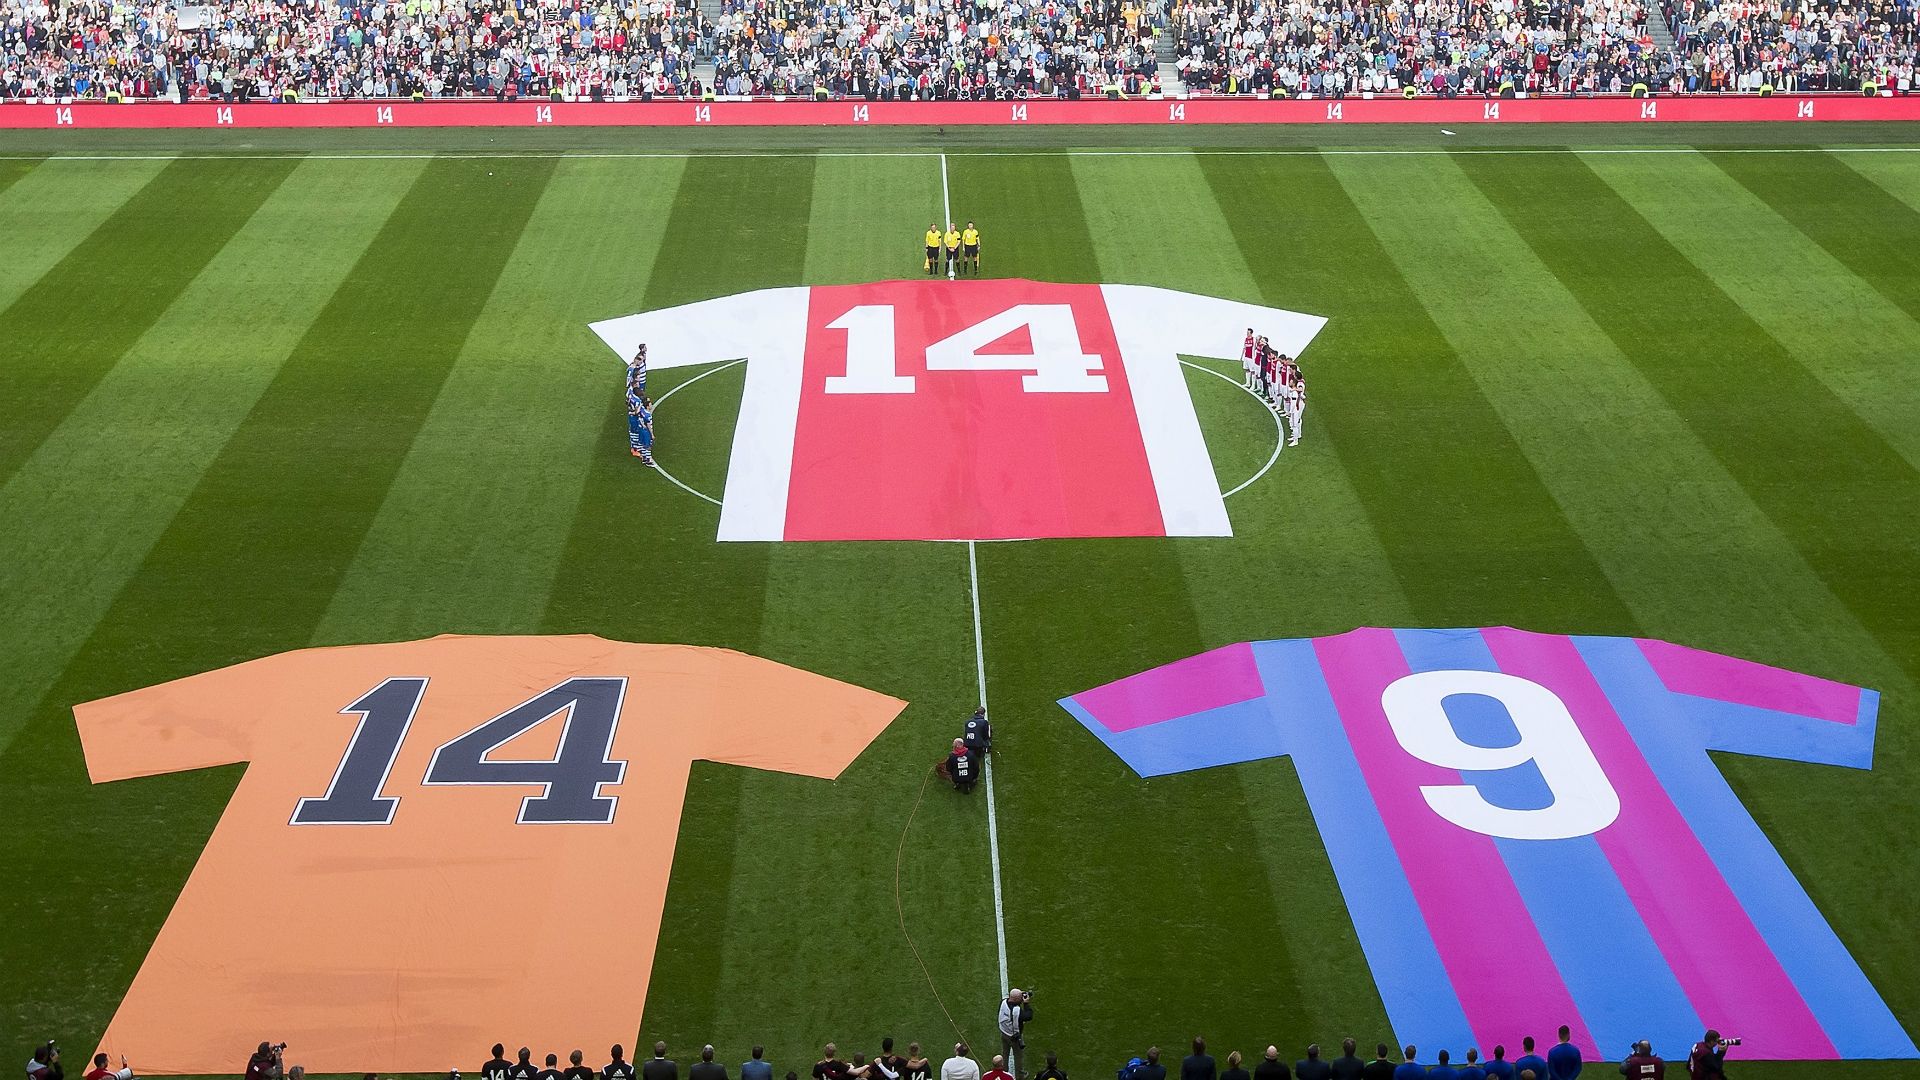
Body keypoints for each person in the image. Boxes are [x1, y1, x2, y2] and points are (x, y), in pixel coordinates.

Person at [999, 990, 1029, 1066]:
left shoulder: (1003, 1002)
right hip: (1014, 1037)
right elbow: (1028, 1016)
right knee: (1018, 1057)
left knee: (1005, 1054)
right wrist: (1026, 1004)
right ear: (1016, 1000)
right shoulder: (1016, 1011)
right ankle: (1020, 1075)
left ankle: (1004, 1070)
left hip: (1004, 1032)